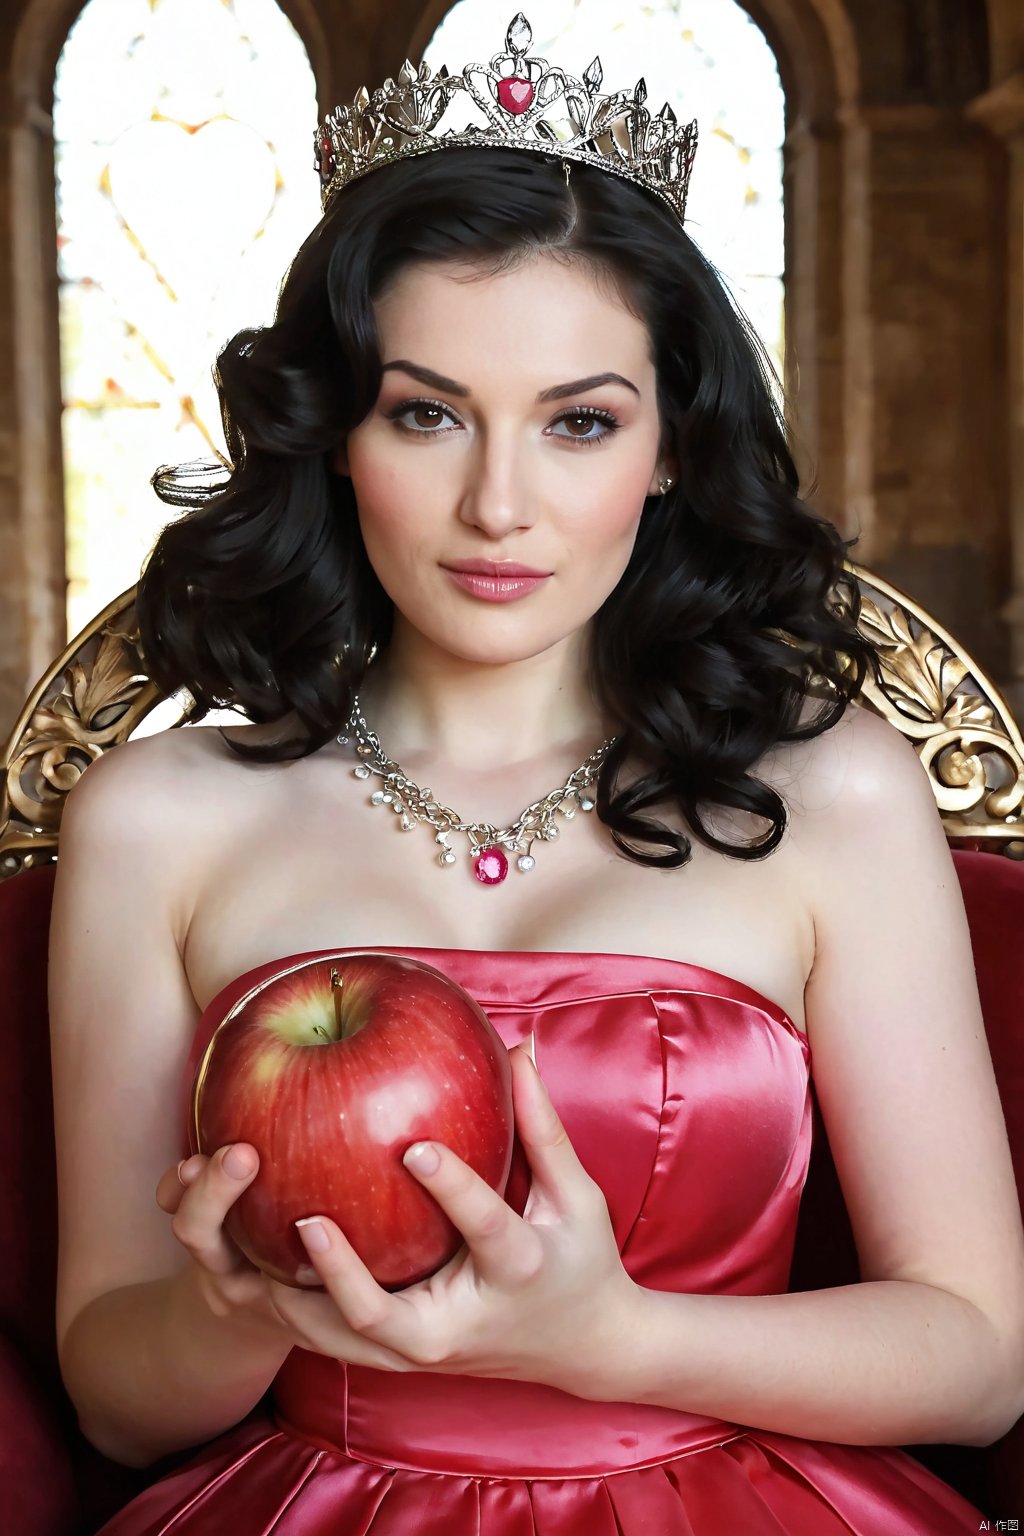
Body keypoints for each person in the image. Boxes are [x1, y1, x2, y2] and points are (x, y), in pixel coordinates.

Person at [48, 13, 1024, 1533]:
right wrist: (241, 1308)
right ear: (335, 437)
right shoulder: (160, 821)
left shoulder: (833, 796)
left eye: (580, 423)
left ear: (671, 453)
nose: (499, 504)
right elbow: (114, 1392)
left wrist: (612, 1341)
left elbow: (976, 1357)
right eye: (426, 414)